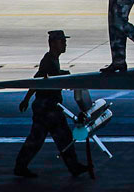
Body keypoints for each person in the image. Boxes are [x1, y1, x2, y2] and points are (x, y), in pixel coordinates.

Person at [14, 30, 88, 178]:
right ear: (53, 43)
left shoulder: (52, 60)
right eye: (62, 41)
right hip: (47, 108)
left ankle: (21, 166)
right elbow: (39, 81)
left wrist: (26, 100)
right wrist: (26, 99)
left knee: (42, 139)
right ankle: (73, 167)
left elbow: (40, 78)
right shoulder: (48, 61)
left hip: (48, 107)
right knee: (59, 137)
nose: (65, 44)